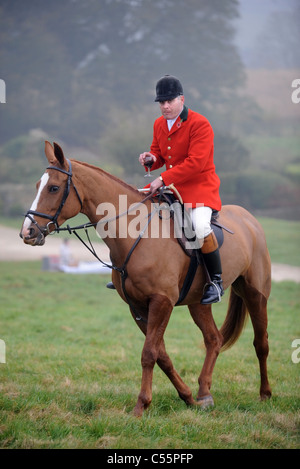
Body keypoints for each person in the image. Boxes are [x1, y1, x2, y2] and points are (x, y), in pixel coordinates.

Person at [139, 75, 223, 304]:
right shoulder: (159, 123)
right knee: (137, 211)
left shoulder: (200, 124)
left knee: (199, 225)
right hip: (172, 186)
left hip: (199, 188)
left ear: (181, 99)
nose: (165, 106)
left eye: (170, 101)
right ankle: (132, 273)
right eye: (161, 102)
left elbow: (196, 163)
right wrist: (151, 158)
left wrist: (163, 178)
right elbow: (160, 154)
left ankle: (216, 281)